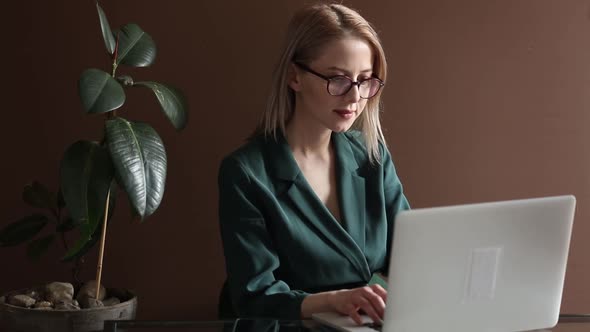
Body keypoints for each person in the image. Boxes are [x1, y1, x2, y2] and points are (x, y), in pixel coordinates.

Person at [217, 2, 410, 324]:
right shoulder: (247, 173)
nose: (354, 97)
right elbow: (255, 295)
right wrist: (337, 300)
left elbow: (410, 253)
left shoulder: (371, 155)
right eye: (338, 80)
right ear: (295, 77)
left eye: (365, 80)